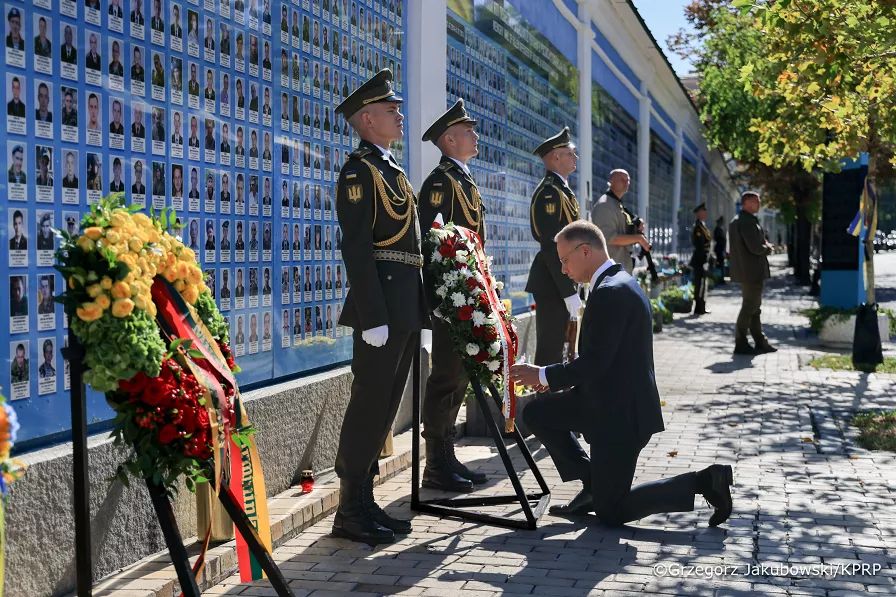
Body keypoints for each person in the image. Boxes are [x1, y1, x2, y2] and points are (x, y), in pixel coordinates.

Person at [510, 221, 734, 528]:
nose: (562, 269)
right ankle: (593, 482)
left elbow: (594, 364)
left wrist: (543, 375)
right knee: (537, 413)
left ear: (585, 251)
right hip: (601, 401)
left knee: (611, 511)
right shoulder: (615, 282)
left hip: (621, 417)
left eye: (564, 260)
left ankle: (706, 481)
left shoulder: (611, 292)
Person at [332, 69, 426, 545]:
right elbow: (358, 247)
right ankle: (349, 510)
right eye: (391, 111)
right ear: (367, 119)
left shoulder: (392, 170)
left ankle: (365, 503)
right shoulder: (358, 171)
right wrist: (373, 315)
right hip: (381, 311)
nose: (399, 116)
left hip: (403, 307)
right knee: (369, 406)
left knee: (385, 408)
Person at [416, 99, 488, 493]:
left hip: (469, 298)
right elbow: (435, 242)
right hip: (451, 300)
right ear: (449, 139)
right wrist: (447, 299)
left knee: (459, 375)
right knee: (446, 377)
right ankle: (436, 463)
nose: (475, 136)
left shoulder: (463, 180)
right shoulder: (441, 182)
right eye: (468, 131)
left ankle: (447, 458)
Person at [525, 127, 581, 366]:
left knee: (563, 348)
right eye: (571, 153)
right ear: (556, 157)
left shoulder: (563, 192)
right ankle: (544, 401)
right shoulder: (550, 193)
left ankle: (556, 399)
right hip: (551, 282)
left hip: (562, 280)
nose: (575, 158)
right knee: (551, 349)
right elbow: (551, 246)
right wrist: (567, 290)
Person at [729, 192, 776, 355]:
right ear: (747, 202)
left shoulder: (739, 220)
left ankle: (760, 342)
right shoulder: (747, 222)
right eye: (756, 201)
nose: (759, 204)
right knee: (750, 307)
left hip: (747, 271)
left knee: (754, 308)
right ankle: (740, 342)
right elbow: (755, 247)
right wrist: (768, 248)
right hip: (752, 272)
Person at [591, 169, 651, 275]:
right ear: (611, 181)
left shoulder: (617, 203)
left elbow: (621, 231)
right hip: (610, 271)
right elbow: (608, 237)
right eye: (622, 179)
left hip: (619, 268)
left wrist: (636, 227)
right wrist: (639, 238)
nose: (626, 183)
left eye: (628, 180)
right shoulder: (605, 205)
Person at [690, 203, 712, 316]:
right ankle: (698, 307)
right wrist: (704, 261)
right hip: (700, 260)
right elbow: (699, 246)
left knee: (703, 284)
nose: (705, 213)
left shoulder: (703, 226)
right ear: (699, 214)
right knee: (699, 284)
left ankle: (701, 306)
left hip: (703, 260)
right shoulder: (698, 228)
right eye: (703, 212)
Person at [713, 216, 727, 283]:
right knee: (720, 264)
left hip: (720, 249)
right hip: (719, 249)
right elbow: (718, 239)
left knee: (721, 264)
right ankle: (720, 279)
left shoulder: (720, 229)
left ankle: (721, 278)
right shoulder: (717, 229)